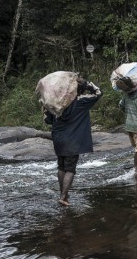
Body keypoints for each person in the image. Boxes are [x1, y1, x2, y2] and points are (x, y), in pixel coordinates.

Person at [44, 78, 102, 206]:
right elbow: (98, 93)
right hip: (73, 141)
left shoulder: (54, 103)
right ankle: (63, 197)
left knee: (61, 167)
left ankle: (63, 194)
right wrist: (87, 84)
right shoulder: (80, 102)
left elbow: (48, 120)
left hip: (58, 139)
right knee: (70, 169)